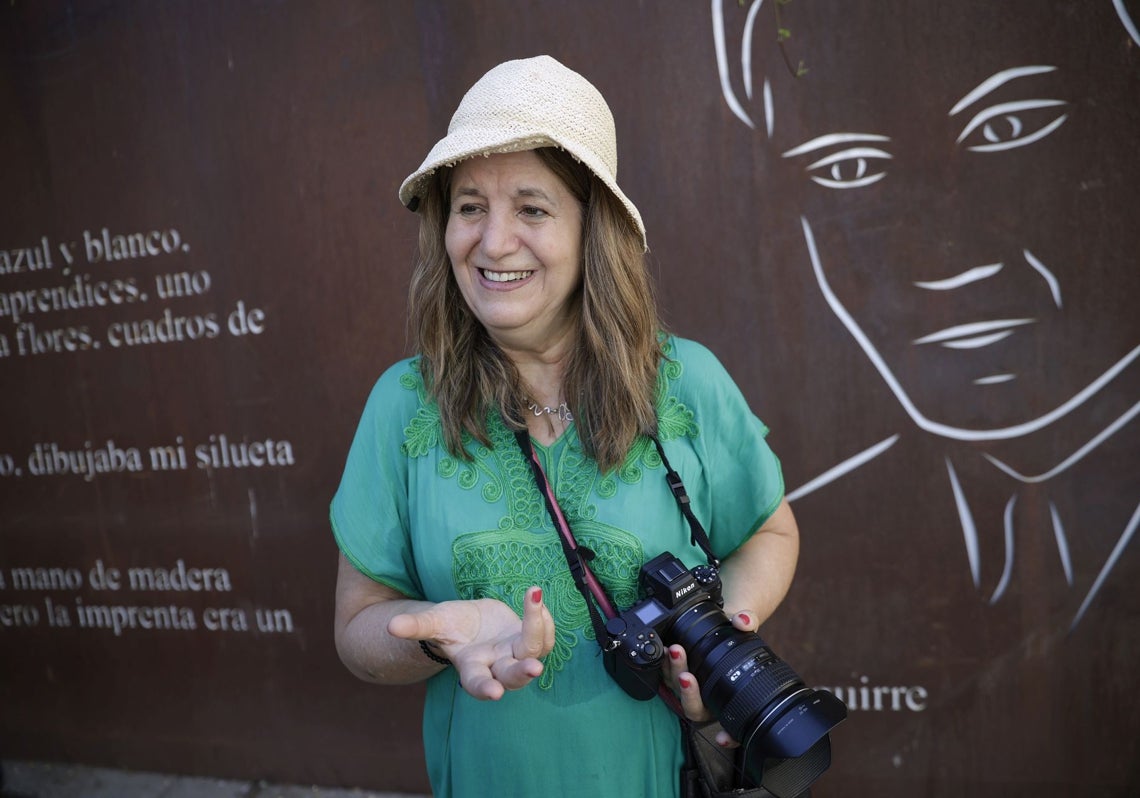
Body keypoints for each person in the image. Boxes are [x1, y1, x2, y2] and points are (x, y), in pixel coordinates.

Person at [330, 55, 800, 798]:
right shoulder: (401, 406)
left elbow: (770, 533)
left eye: (532, 207)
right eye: (470, 206)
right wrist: (436, 631)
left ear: (594, 229)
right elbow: (358, 628)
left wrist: (718, 647)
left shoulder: (687, 383)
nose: (492, 242)